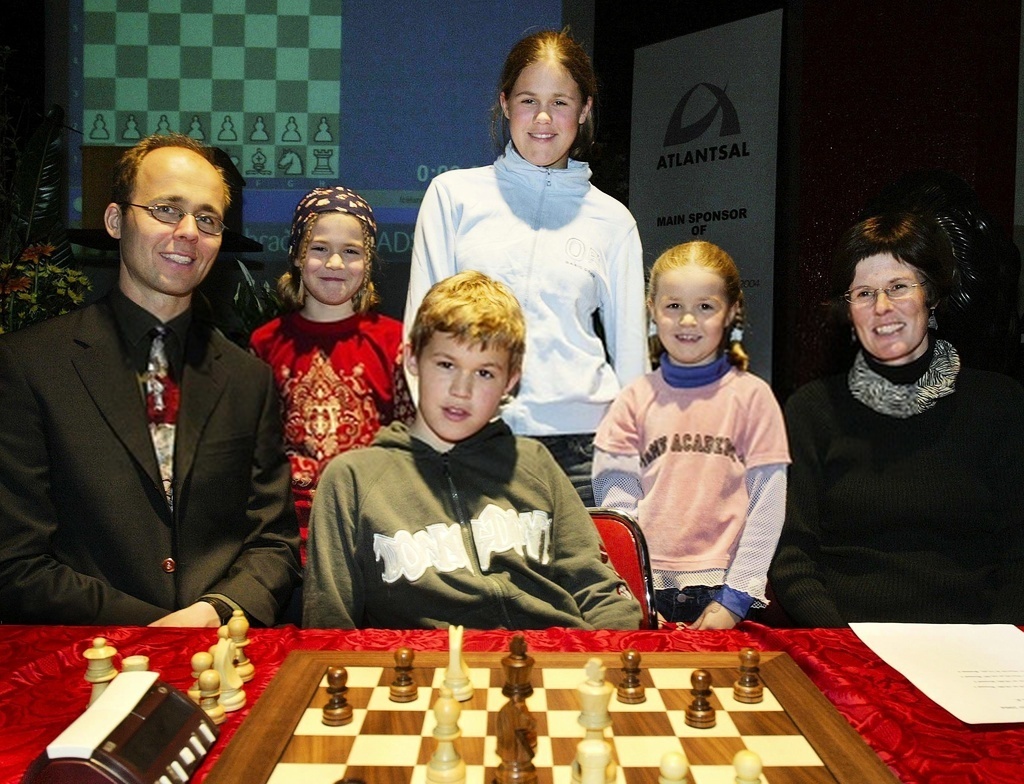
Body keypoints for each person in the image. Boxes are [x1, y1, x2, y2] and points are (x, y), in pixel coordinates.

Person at [0, 133, 300, 627]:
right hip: (84, 662)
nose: (188, 232)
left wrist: (212, 614)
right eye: (166, 209)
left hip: (222, 655)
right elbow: (15, 562)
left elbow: (273, 543)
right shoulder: (29, 367)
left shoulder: (249, 379)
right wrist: (154, 631)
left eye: (207, 219)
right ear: (117, 220)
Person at [304, 270, 642, 629]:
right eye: (446, 364)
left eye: (484, 373)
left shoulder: (535, 464)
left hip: (551, 662)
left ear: (511, 380)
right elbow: (329, 626)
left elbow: (601, 594)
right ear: (412, 359)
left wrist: (602, 664)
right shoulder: (352, 479)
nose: (461, 390)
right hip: (425, 672)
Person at [404, 29, 647, 506]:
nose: (542, 117)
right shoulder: (453, 197)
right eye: (528, 99)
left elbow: (633, 366)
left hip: (582, 455)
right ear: (504, 103)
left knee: (575, 584)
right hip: (474, 441)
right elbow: (419, 332)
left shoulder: (614, 221)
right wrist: (432, 442)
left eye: (560, 102)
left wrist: (630, 477)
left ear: (585, 111)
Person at [769, 211, 1024, 626]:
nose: (882, 308)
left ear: (933, 295)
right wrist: (842, 642)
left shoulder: (1000, 405)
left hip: (977, 642)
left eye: (898, 287)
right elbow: (793, 556)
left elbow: (1019, 552)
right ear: (848, 311)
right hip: (847, 641)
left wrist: (996, 641)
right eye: (864, 294)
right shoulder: (812, 410)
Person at [592, 242, 790, 629]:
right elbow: (617, 510)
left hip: (725, 592)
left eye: (705, 306)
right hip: (647, 592)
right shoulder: (630, 402)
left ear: (732, 312)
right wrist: (637, 592)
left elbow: (767, 507)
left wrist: (733, 602)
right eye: (673, 306)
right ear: (652, 311)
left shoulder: (754, 399)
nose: (687, 321)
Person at [250, 186, 414, 563]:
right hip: (285, 544)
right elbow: (255, 456)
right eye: (320, 248)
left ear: (368, 261)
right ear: (295, 253)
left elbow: (411, 448)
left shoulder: (395, 343)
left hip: (372, 540)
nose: (335, 264)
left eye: (352, 252)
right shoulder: (265, 343)